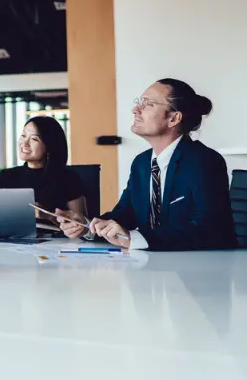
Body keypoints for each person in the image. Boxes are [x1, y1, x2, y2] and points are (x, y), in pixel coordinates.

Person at [57, 79, 236, 251]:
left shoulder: (204, 161)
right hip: (152, 268)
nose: (135, 109)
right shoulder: (141, 163)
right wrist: (87, 226)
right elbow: (124, 215)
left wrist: (134, 239)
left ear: (173, 118)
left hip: (199, 273)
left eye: (147, 104)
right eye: (139, 102)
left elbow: (209, 229)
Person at [0, 116, 86, 224]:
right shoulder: (6, 176)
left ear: (49, 146)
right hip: (11, 238)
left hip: (55, 240)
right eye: (23, 136)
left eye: (34, 139)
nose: (25, 143)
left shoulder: (69, 179)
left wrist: (48, 216)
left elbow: (81, 225)